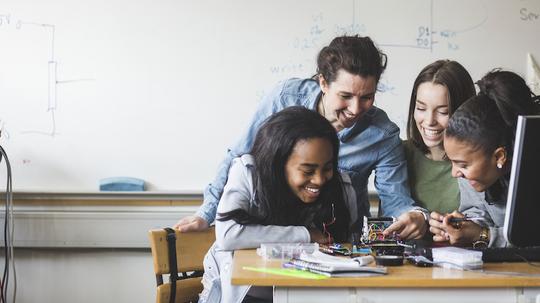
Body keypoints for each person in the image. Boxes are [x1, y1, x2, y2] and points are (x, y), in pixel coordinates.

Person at [176, 35, 427, 239]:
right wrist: (207, 213)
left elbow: (396, 201)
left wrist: (415, 217)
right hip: (274, 235)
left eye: (367, 97)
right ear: (323, 83)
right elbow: (239, 157)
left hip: (338, 242)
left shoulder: (383, 134)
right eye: (345, 96)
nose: (355, 109)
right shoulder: (284, 99)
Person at [198, 107, 361, 303]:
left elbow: (350, 246)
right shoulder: (248, 173)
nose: (319, 180)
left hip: (311, 294)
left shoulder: (341, 187)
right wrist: (307, 235)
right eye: (307, 171)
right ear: (278, 163)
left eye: (327, 168)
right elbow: (229, 235)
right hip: (246, 294)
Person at [429, 70, 540, 247]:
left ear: (499, 156)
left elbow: (531, 238)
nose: (455, 173)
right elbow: (478, 211)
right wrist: (463, 227)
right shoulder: (472, 173)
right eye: (452, 161)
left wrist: (484, 236)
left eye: (462, 165)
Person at [403, 60, 475, 214]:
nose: (429, 121)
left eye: (443, 112)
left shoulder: (478, 162)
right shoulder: (398, 154)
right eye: (421, 108)